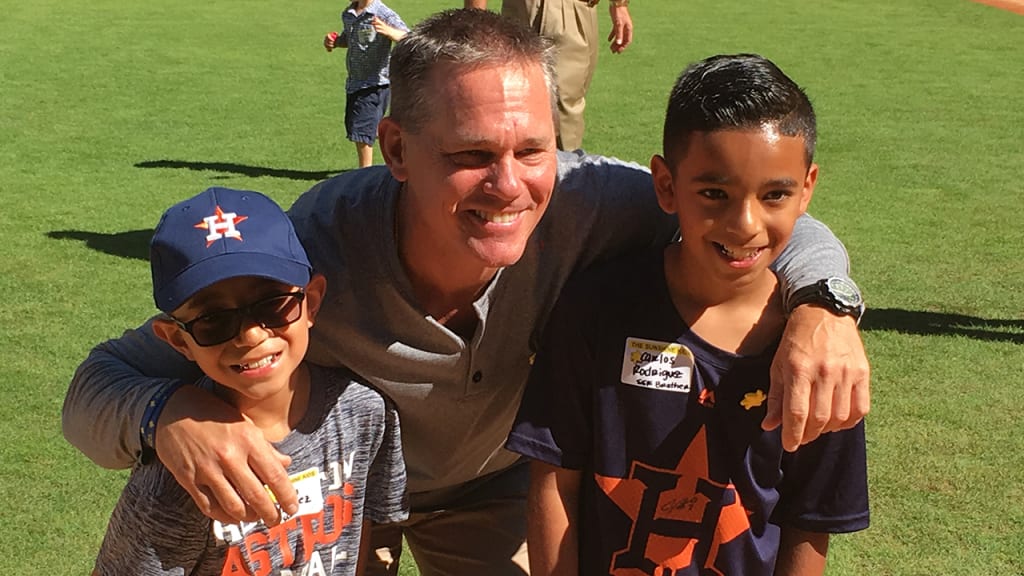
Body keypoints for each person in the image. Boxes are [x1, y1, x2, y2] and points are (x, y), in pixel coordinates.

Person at [63, 10, 869, 576]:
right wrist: (165, 414)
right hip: (336, 500)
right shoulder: (315, 245)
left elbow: (751, 215)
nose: (510, 184)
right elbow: (95, 386)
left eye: (533, 148)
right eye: (472, 153)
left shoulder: (595, 200)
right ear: (396, 148)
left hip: (495, 492)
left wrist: (824, 307)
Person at [506, 54, 869, 575]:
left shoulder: (821, 355)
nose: (744, 223)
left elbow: (809, 522)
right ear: (666, 185)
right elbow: (555, 479)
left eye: (775, 195)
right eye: (714, 194)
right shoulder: (597, 306)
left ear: (807, 188)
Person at [91, 187, 407, 575]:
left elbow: (374, 530)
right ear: (177, 340)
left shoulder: (364, 413)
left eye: (274, 303)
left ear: (311, 301)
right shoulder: (179, 479)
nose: (251, 336)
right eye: (213, 319)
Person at [463, 0, 634, 151]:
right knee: (559, 113)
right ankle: (559, 184)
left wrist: (619, 4)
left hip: (583, 9)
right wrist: (476, 18)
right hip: (546, 9)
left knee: (563, 107)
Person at [324, 0, 409, 168]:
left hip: (376, 84)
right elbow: (351, 39)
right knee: (357, 126)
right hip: (355, 83)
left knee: (361, 132)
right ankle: (386, 136)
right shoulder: (349, 13)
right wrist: (335, 42)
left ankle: (365, 172)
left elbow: (409, 37)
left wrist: (390, 31)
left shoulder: (382, 13)